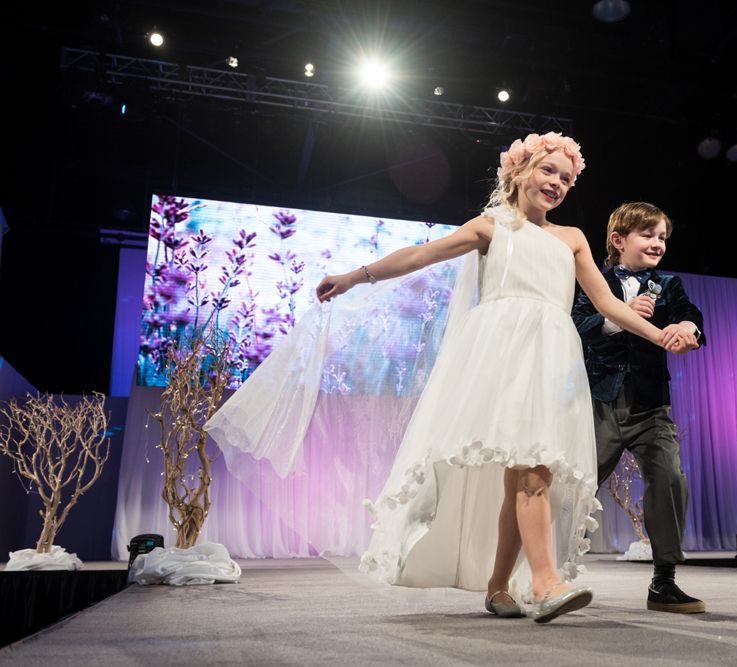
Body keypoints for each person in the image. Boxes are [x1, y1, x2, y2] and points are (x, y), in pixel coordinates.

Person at [208, 132, 676, 623]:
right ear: (519, 172)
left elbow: (608, 305)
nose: (556, 183)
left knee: (528, 472)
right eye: (547, 171)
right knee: (532, 470)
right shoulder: (491, 228)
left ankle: (499, 586)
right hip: (502, 359)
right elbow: (421, 255)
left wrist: (660, 335)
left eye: (565, 177)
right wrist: (354, 277)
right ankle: (545, 582)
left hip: (550, 361)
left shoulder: (572, 238)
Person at [571, 201, 707, 614]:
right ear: (618, 240)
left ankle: (664, 580)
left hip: (651, 406)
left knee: (670, 478)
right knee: (574, 486)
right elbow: (578, 323)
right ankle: (548, 571)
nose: (657, 243)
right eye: (647, 235)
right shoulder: (593, 280)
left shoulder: (669, 284)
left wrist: (685, 327)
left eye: (662, 237)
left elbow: (689, 313)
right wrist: (620, 316)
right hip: (599, 404)